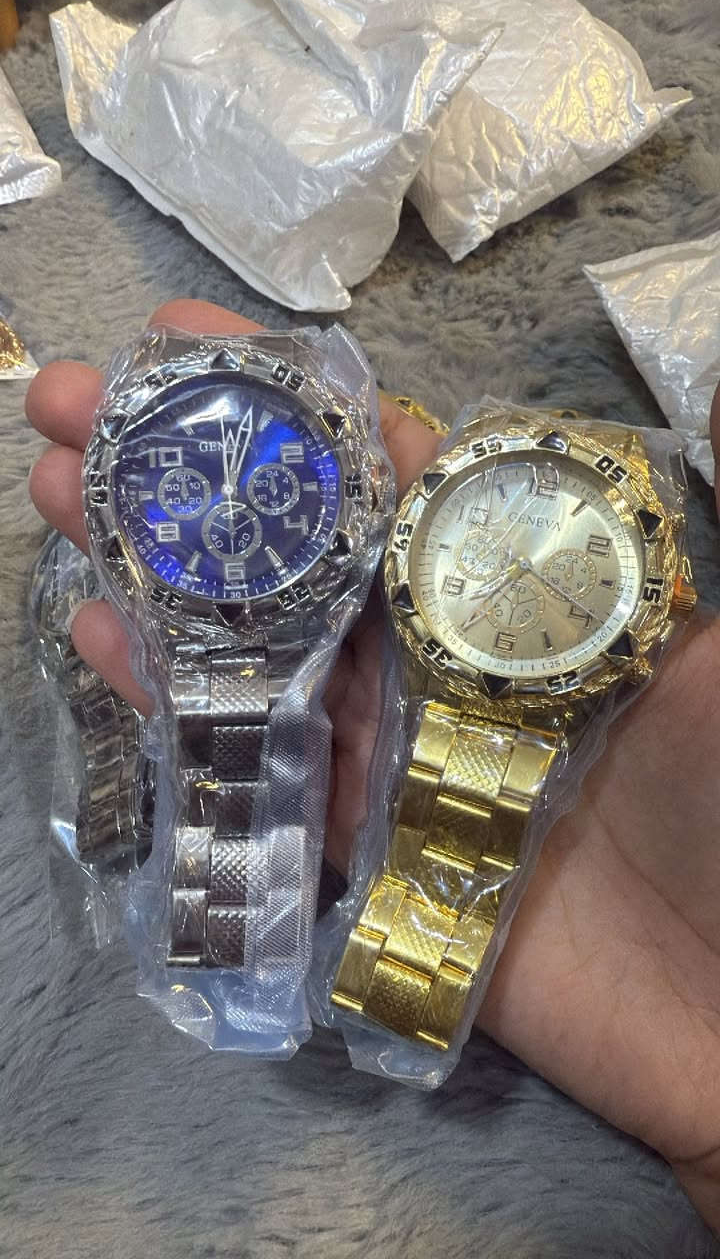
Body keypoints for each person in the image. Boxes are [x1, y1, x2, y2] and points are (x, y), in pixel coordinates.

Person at [25, 297, 720, 1232]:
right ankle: (231, 957)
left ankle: (359, 984)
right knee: (234, 773)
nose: (232, 492)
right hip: (213, 628)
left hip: (473, 697)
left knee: (433, 829)